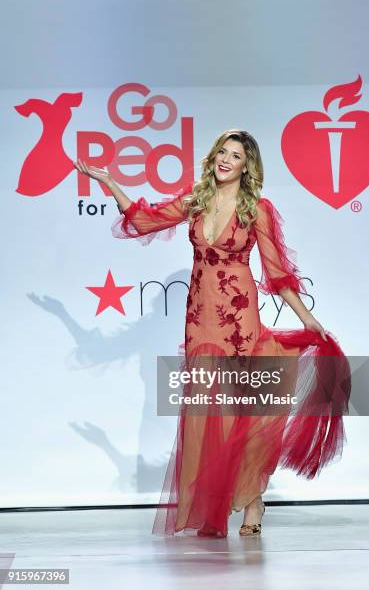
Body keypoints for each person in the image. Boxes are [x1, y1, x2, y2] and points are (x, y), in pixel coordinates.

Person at [73, 129, 351, 538]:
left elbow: (277, 274)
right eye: (221, 151)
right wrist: (110, 182)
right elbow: (146, 220)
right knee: (208, 413)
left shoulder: (257, 209)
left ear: (246, 166)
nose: (225, 160)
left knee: (246, 411)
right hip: (200, 319)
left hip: (239, 320)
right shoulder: (197, 200)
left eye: (235, 155)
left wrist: (307, 317)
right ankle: (217, 506)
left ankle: (253, 500)